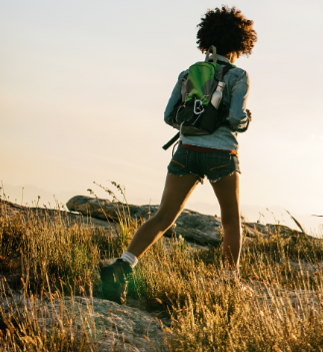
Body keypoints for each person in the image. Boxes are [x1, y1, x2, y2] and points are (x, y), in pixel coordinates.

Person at [100, 6, 255, 303]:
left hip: (185, 151)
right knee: (230, 221)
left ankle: (124, 264)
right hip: (221, 154)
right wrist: (246, 119)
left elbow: (170, 116)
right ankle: (230, 283)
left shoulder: (189, 73)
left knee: (163, 217)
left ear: (205, 38)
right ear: (240, 44)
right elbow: (236, 120)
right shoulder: (238, 76)